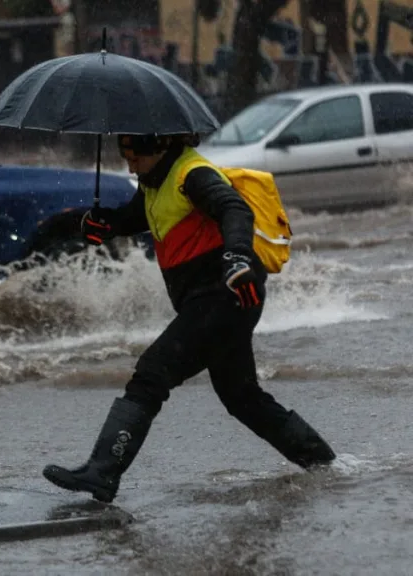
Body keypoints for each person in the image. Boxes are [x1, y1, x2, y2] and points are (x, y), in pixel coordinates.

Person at [42, 134, 336, 503]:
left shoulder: (192, 174)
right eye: (123, 155)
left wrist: (238, 257)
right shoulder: (154, 181)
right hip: (210, 300)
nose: (129, 164)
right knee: (241, 396)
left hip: (226, 294)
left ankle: (103, 471)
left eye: (134, 156)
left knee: (152, 373)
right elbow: (136, 218)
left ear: (158, 148)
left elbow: (234, 209)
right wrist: (103, 223)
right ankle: (323, 463)